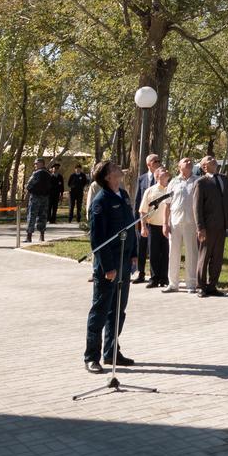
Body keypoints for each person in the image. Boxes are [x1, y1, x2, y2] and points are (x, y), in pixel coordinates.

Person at [84, 160, 138, 373]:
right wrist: (108, 267)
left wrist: (133, 254)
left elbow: (130, 227)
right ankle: (91, 357)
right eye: (114, 168)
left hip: (124, 262)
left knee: (118, 310)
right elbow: (97, 239)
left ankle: (112, 352)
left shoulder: (123, 195)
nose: (119, 169)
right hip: (109, 265)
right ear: (107, 176)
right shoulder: (101, 201)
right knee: (100, 310)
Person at [193, 155, 228, 298]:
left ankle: (212, 286)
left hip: (222, 226)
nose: (213, 160)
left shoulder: (223, 179)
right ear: (204, 166)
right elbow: (197, 207)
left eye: (213, 158)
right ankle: (201, 286)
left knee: (217, 258)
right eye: (209, 159)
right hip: (207, 227)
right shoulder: (201, 182)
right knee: (204, 257)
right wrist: (200, 227)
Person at [162, 157, 198, 293]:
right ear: (179, 166)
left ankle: (191, 283)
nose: (189, 162)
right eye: (185, 161)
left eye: (190, 161)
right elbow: (167, 204)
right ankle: (173, 283)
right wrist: (165, 223)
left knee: (191, 252)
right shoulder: (173, 182)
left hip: (191, 222)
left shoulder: (197, 181)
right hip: (175, 222)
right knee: (173, 253)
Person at [139, 165, 171, 288]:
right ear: (157, 176)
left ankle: (164, 278)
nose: (166, 171)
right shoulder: (150, 191)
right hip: (153, 226)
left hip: (168, 226)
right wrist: (143, 227)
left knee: (166, 253)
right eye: (163, 170)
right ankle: (154, 278)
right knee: (154, 253)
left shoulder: (171, 189)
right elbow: (143, 210)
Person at [132, 153, 161, 283]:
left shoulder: (163, 178)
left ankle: (155, 275)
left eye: (159, 160)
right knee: (141, 247)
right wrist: (136, 221)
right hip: (143, 219)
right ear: (148, 164)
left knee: (155, 249)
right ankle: (141, 273)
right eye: (156, 161)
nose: (158, 163)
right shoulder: (142, 179)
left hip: (156, 219)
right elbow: (138, 200)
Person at [24, 158, 52, 242]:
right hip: (45, 198)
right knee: (43, 217)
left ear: (42, 164)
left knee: (32, 216)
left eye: (37, 163)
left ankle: (29, 237)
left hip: (35, 197)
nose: (35, 165)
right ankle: (41, 236)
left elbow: (29, 185)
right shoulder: (49, 174)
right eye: (35, 164)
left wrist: (30, 190)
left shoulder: (36, 174)